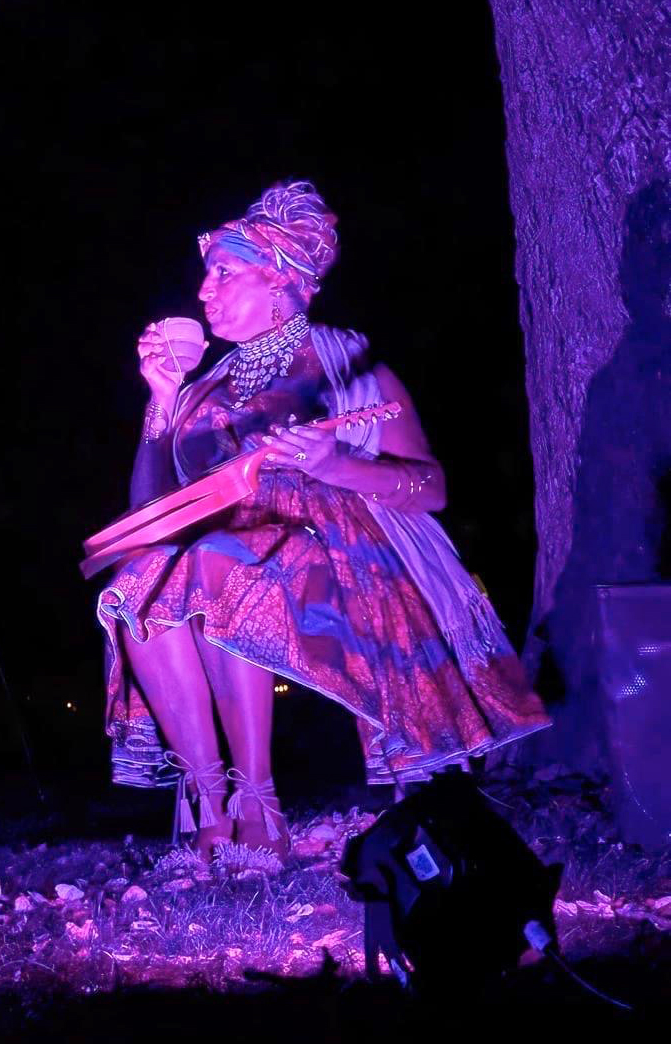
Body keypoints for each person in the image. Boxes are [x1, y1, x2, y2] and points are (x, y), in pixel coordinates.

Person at [96, 181, 548, 862]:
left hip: (331, 556)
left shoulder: (344, 362)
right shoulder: (203, 390)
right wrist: (162, 403)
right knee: (137, 585)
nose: (203, 291)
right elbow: (149, 511)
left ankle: (259, 803)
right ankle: (207, 804)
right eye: (206, 274)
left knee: (217, 562)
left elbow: (430, 486)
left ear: (279, 276)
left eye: (223, 271)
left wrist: (337, 465)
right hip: (221, 550)